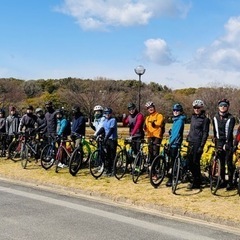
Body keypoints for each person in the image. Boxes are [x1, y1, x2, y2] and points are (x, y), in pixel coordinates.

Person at [212, 98, 235, 190]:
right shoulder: (215, 117)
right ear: (218, 107)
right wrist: (214, 139)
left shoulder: (231, 118)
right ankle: (222, 180)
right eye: (221, 105)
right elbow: (214, 130)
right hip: (219, 142)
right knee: (220, 162)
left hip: (227, 142)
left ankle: (230, 182)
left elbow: (229, 132)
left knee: (228, 163)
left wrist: (226, 143)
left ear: (228, 107)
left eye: (225, 105)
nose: (223, 107)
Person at [186, 100, 210, 189]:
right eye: (195, 107)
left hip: (198, 142)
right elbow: (191, 129)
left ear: (201, 108)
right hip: (191, 141)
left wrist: (202, 146)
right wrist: (188, 137)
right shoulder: (193, 117)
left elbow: (205, 133)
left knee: (195, 162)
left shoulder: (205, 119)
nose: (196, 109)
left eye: (198, 107)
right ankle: (197, 178)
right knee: (189, 162)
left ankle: (197, 183)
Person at [166, 103, 186, 187]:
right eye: (174, 110)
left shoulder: (180, 120)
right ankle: (177, 174)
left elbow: (176, 133)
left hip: (175, 143)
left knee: (173, 162)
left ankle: (172, 178)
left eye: (177, 110)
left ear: (181, 111)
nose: (175, 112)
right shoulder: (176, 120)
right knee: (172, 160)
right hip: (172, 142)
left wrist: (170, 143)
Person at [96, 107, 118, 176]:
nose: (107, 114)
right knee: (107, 155)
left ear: (111, 114)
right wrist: (96, 134)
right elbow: (103, 129)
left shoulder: (113, 120)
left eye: (108, 113)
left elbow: (111, 130)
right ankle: (108, 169)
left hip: (112, 139)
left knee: (112, 155)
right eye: (105, 113)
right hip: (107, 139)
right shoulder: (105, 121)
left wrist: (106, 137)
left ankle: (113, 170)